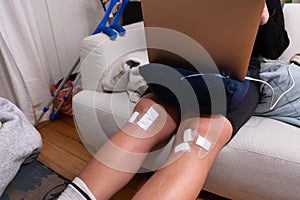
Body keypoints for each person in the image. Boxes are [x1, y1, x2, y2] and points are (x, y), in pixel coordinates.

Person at [59, 0, 289, 199]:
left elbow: (276, 48)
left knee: (198, 138)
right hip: (182, 67)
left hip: (239, 76)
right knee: (145, 119)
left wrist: (264, 19)